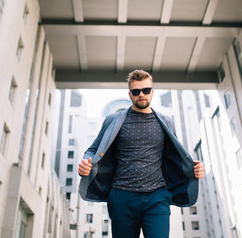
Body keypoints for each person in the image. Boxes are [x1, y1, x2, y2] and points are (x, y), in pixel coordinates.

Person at [78, 69, 205, 238]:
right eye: (136, 91)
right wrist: (86, 161)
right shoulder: (113, 120)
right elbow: (93, 149)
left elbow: (176, 156)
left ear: (152, 92)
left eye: (146, 90)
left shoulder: (166, 121)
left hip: (157, 197)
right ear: (130, 95)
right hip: (121, 197)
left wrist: (194, 168)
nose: (141, 94)